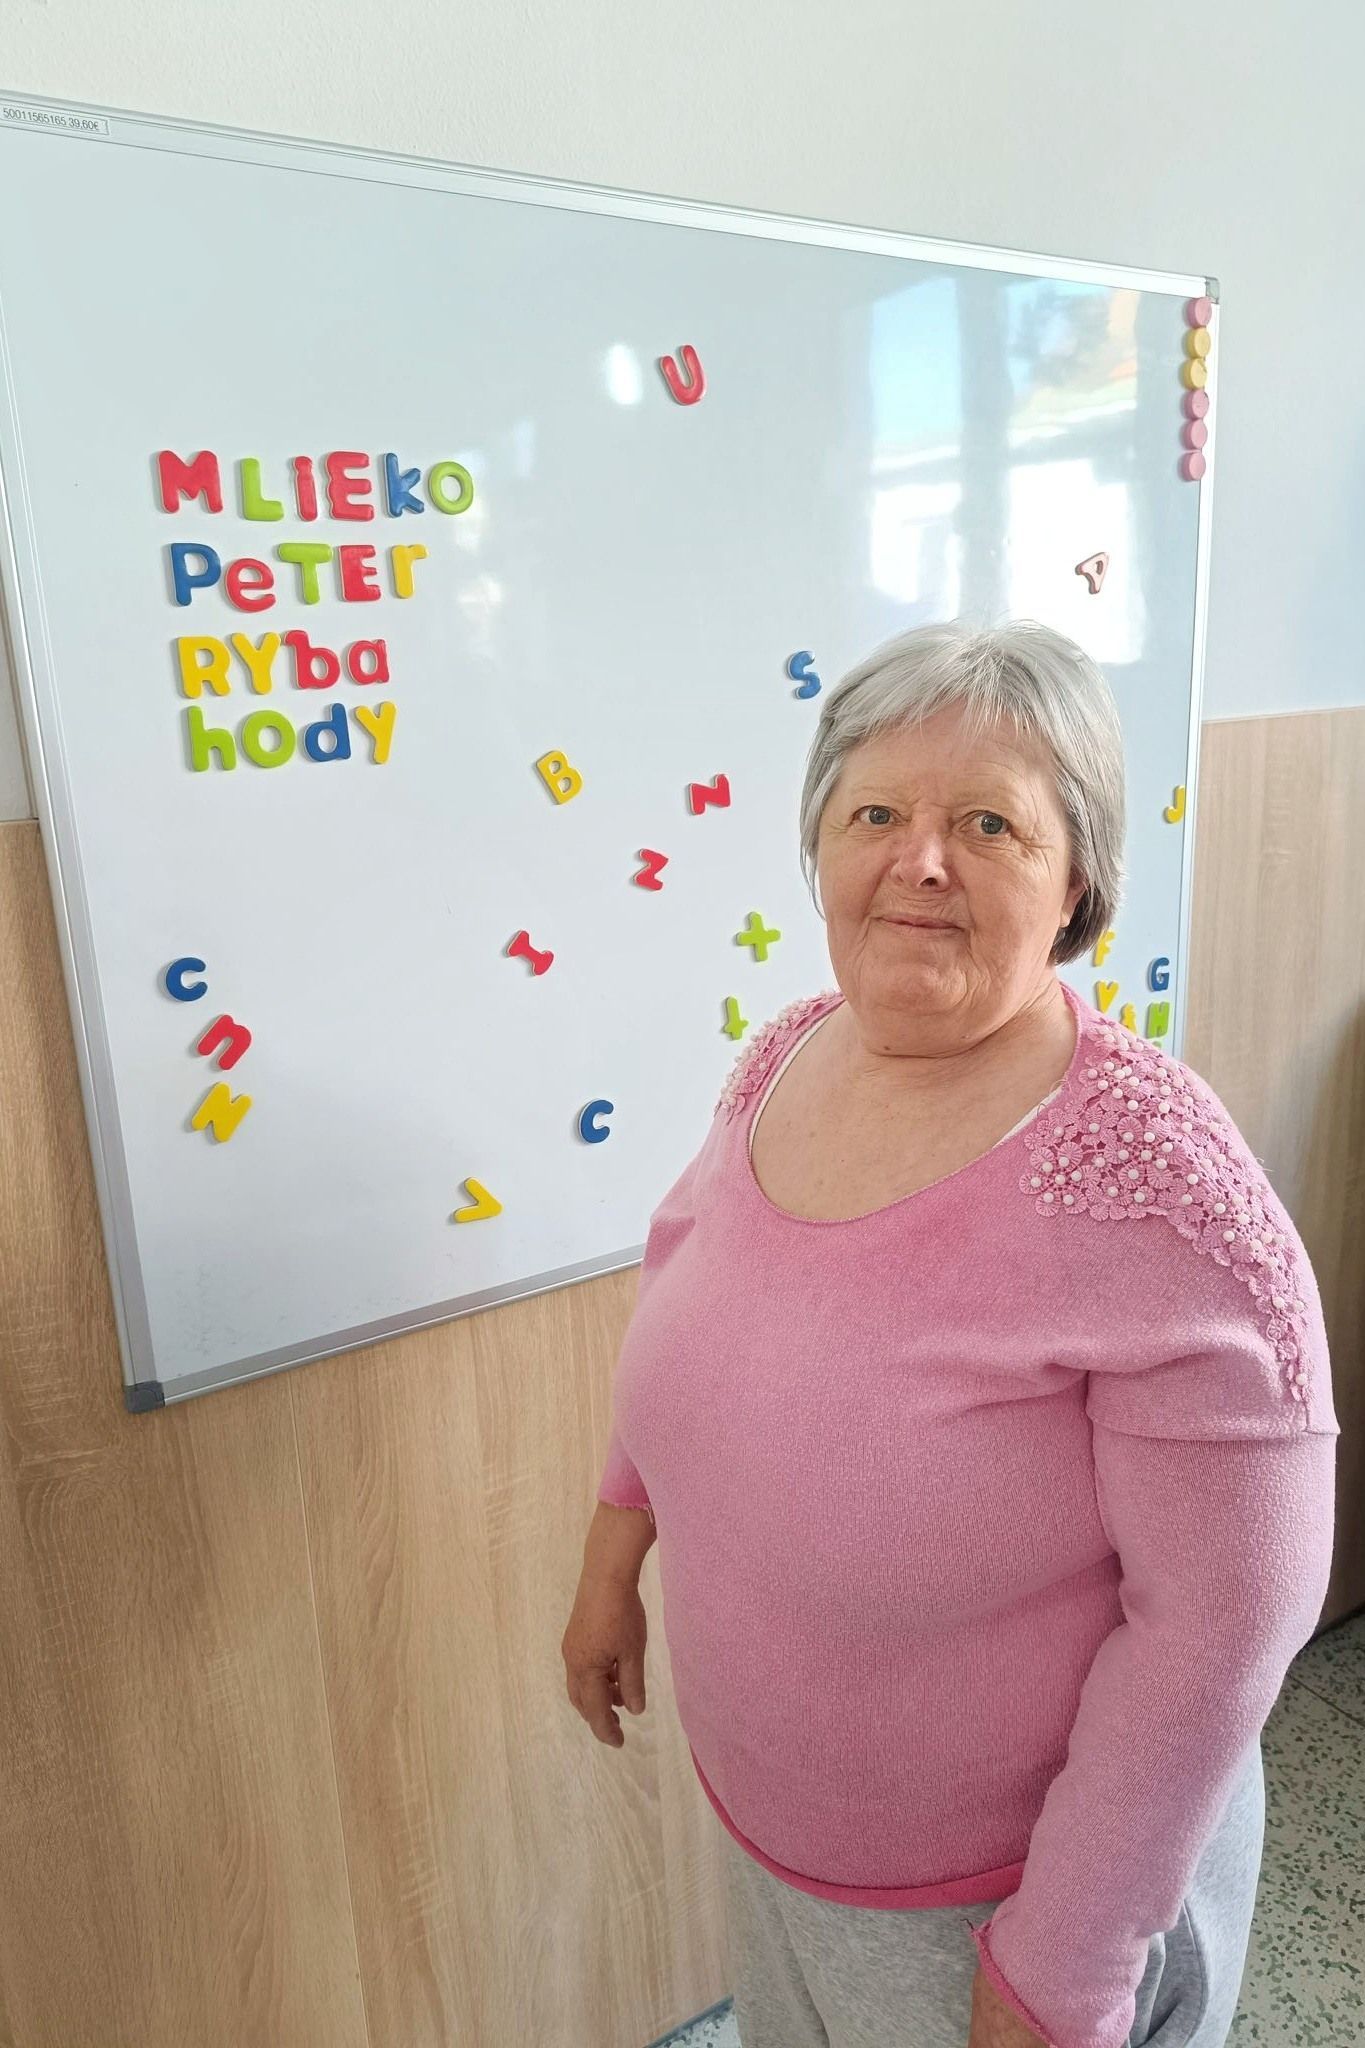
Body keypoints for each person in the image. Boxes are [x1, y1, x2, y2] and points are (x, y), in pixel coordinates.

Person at [561, 619, 1339, 2048]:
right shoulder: (787, 1052)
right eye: (875, 814)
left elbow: (1227, 1622)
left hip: (1013, 1908)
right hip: (783, 1846)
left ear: (1076, 878)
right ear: (819, 849)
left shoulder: (1159, 1177)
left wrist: (1064, 1965)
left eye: (988, 824)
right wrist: (617, 1552)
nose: (919, 861)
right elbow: (683, 1284)